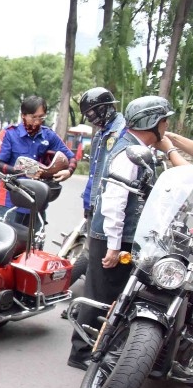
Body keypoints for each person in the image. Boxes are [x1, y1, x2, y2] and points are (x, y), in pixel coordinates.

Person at [67, 96, 187, 369]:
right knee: (100, 297)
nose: (167, 126)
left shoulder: (138, 148)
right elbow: (114, 202)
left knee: (114, 296)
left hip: (125, 237)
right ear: (153, 123)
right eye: (164, 121)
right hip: (113, 237)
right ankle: (82, 353)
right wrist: (112, 245)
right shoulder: (128, 153)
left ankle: (100, 349)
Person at [61, 88, 126, 320]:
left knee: (103, 261)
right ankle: (87, 309)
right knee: (94, 258)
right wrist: (88, 201)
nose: (91, 119)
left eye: (93, 112)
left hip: (113, 209)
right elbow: (95, 174)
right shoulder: (100, 135)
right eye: (88, 115)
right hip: (95, 207)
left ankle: (92, 312)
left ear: (106, 107)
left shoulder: (122, 133)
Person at [0, 96, 76, 227]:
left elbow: (71, 157)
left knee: (35, 244)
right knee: (8, 241)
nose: (37, 122)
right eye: (33, 117)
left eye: (41, 117)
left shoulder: (49, 135)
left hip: (37, 201)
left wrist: (69, 172)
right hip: (10, 200)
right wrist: (24, 171)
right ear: (23, 115)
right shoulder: (8, 134)